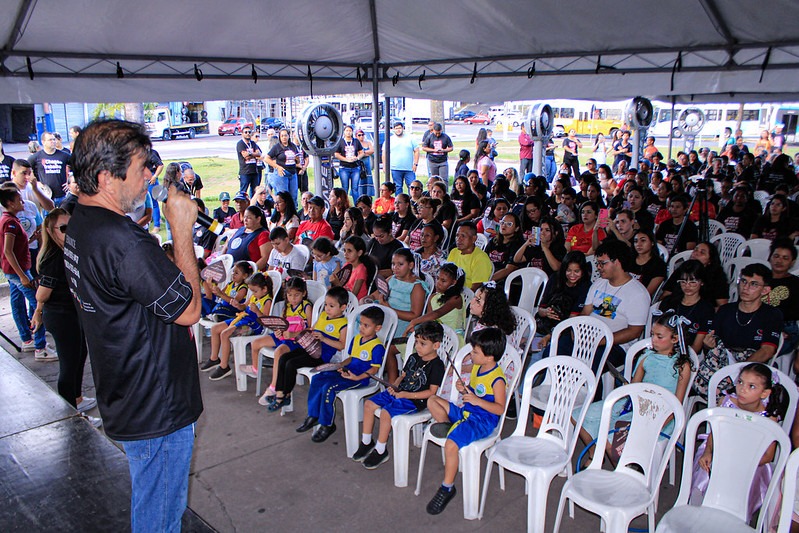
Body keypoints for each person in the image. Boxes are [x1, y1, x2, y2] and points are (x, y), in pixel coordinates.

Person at [64, 119, 202, 532]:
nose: (149, 175)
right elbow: (189, 310)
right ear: (107, 176)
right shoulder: (125, 244)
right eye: (142, 166)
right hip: (156, 405)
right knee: (160, 515)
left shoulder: (81, 222)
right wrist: (181, 230)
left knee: (153, 502)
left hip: (125, 389)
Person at [576, 310, 693, 465]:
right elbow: (634, 386)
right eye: (652, 335)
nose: (653, 340)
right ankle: (595, 455)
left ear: (675, 339)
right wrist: (628, 387)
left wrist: (659, 423)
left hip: (661, 413)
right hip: (635, 404)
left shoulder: (681, 366)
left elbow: (677, 402)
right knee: (580, 415)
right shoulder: (646, 357)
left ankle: (624, 470)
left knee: (610, 434)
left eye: (659, 337)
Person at [690, 363, 789, 521]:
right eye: (740, 382)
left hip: (752, 461)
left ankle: (734, 517)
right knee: (706, 469)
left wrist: (740, 463)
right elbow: (714, 434)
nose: (742, 389)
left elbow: (768, 456)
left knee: (744, 480)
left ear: (764, 393)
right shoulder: (727, 403)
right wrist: (709, 451)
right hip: (720, 451)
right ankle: (699, 511)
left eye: (751, 386)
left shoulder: (768, 417)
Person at [425, 327, 507, 515]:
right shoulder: (478, 367)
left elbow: (500, 408)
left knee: (451, 444)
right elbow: (473, 390)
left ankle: (447, 488)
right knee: (433, 401)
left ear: (489, 357)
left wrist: (477, 401)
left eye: (475, 352)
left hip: (481, 422)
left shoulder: (497, 379)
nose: (471, 354)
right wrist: (464, 389)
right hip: (467, 413)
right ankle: (449, 426)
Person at [31, 208, 95, 415]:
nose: (70, 231)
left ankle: (76, 399)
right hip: (61, 315)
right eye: (64, 228)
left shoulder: (69, 251)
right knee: (69, 363)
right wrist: (38, 312)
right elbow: (42, 294)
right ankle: (71, 413)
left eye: (72, 226)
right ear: (51, 231)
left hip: (72, 312)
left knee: (79, 354)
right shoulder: (54, 257)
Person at [356, 321, 446, 469]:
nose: (417, 346)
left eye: (422, 344)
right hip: (400, 392)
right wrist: (395, 385)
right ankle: (366, 442)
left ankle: (381, 450)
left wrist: (406, 395)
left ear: (436, 345)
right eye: (416, 342)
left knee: (386, 413)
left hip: (415, 400)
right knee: (369, 404)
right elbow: (403, 375)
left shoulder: (437, 365)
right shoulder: (413, 357)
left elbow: (431, 392)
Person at [693, 263, 784, 399]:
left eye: (753, 284)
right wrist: (708, 344)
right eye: (743, 281)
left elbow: (767, 350)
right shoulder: (725, 310)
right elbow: (713, 345)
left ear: (765, 290)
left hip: (751, 367)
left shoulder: (771, 315)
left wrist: (740, 371)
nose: (746, 288)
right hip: (723, 362)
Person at [297, 306, 386, 443]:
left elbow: (374, 370)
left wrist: (357, 377)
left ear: (377, 328)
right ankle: (313, 415)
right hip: (347, 371)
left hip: (359, 378)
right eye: (360, 324)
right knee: (317, 378)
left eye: (366, 325)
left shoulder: (377, 347)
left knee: (329, 388)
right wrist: (339, 366)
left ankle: (327, 424)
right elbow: (351, 358)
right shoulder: (357, 339)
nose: (361, 328)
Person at [262, 286, 349, 412]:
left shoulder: (343, 324)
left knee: (291, 363)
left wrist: (324, 339)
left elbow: (342, 345)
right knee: (284, 358)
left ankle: (282, 397)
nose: (327, 309)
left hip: (321, 355)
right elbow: (311, 329)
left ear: (343, 307)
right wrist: (295, 334)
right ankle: (281, 392)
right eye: (326, 305)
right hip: (308, 347)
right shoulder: (323, 315)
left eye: (331, 306)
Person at [580, 240, 651, 370]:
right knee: (557, 347)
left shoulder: (638, 294)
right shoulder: (599, 283)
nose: (598, 267)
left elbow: (634, 332)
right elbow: (585, 312)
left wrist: (601, 340)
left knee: (590, 362)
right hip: (590, 337)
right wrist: (578, 331)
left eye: (602, 263)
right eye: (598, 263)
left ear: (617, 262)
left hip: (618, 345)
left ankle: (591, 390)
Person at [0, 187, 52, 359]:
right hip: (18, 272)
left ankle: (27, 340)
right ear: (10, 203)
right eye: (19, 200)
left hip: (15, 270)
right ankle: (40, 347)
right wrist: (22, 275)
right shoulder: (11, 223)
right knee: (38, 305)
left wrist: (31, 239)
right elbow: (8, 251)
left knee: (18, 300)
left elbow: (15, 247)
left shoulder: (9, 220)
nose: (22, 203)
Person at [243, 276, 313, 390]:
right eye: (290, 295)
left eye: (296, 295)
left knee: (279, 352)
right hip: (284, 336)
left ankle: (274, 386)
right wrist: (278, 331)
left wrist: (293, 335)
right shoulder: (287, 306)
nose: (293, 299)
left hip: (296, 340)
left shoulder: (306, 307)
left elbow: (310, 329)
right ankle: (255, 369)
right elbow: (280, 324)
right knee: (255, 343)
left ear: (304, 293)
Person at [206, 273, 273, 381]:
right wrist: (237, 305)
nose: (254, 294)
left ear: (264, 289)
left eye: (255, 291)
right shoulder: (254, 296)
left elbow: (265, 320)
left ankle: (224, 366)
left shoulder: (267, 300)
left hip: (254, 325)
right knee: (215, 329)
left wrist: (257, 311)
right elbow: (243, 306)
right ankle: (214, 358)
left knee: (225, 334)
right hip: (243, 319)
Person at [532, 251, 592, 362]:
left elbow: (572, 321)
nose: (572, 275)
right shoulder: (555, 278)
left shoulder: (586, 287)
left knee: (538, 357)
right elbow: (540, 309)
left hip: (564, 331)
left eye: (576, 271)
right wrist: (546, 312)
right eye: (568, 271)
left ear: (583, 271)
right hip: (542, 325)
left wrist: (550, 336)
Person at [658, 260, 715, 354]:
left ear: (702, 282)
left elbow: (696, 347)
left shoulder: (706, 309)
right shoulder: (668, 302)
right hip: (662, 349)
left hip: (686, 355)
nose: (687, 286)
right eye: (683, 281)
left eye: (692, 282)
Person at [405, 262, 468, 342]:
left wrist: (415, 321)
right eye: (437, 278)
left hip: (452, 338)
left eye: (443, 281)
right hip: (435, 335)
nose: (438, 283)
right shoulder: (433, 297)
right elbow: (429, 320)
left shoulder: (456, 299)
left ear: (453, 283)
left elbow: (437, 313)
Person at [762, 238, 799, 355]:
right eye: (776, 256)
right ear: (770, 257)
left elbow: (794, 313)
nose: (779, 261)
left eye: (785, 258)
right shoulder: (761, 279)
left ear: (792, 261)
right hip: (757, 324)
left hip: (785, 328)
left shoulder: (796, 283)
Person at [447, 221, 493, 291]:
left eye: (463, 236)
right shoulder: (454, 252)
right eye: (457, 235)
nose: (458, 239)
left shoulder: (481, 259)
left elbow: (476, 288)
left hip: (465, 296)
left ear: (474, 239)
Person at [29, 131, 70, 206]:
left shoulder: (64, 155)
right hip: (46, 196)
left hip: (62, 195)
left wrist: (70, 182)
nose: (53, 142)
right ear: (43, 142)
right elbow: (26, 169)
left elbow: (77, 168)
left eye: (54, 139)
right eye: (50, 140)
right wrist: (36, 183)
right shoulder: (36, 157)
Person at [224, 205, 271, 270]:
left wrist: (250, 272)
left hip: (247, 274)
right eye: (244, 217)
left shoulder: (263, 234)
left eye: (249, 218)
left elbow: (265, 258)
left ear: (258, 219)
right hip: (228, 268)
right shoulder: (240, 230)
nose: (245, 220)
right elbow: (227, 245)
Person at [329, 235, 374, 301]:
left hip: (355, 302)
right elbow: (342, 281)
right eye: (344, 250)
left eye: (349, 251)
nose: (345, 254)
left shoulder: (361, 270)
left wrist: (337, 284)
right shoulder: (348, 264)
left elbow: (353, 296)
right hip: (344, 295)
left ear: (359, 253)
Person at [265, 128, 301, 205]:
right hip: (282, 174)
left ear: (288, 136)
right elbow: (267, 158)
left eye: (285, 135)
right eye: (282, 136)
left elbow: (298, 161)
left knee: (293, 197)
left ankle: (293, 214)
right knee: (283, 198)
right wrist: (277, 167)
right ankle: (280, 215)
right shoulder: (277, 147)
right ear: (279, 137)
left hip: (292, 173)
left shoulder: (293, 146)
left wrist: (297, 159)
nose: (284, 137)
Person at [485, 213, 523, 285]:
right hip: (488, 273)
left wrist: (487, 280)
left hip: (505, 281)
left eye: (509, 224)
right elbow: (483, 259)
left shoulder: (518, 245)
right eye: (502, 222)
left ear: (516, 228)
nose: (504, 225)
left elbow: (508, 269)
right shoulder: (494, 241)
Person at [629, 230, 667, 298]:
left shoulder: (659, 265)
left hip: (640, 299)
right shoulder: (628, 259)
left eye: (643, 240)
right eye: (635, 241)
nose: (638, 244)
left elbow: (647, 294)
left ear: (652, 243)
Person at [384, 122, 419, 194]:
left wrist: (415, 164)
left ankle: (412, 202)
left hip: (409, 168)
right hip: (395, 168)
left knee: (412, 186)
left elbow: (417, 151)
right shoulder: (390, 139)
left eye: (399, 128)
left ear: (403, 128)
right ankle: (399, 203)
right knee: (398, 187)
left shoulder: (410, 138)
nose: (398, 130)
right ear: (393, 129)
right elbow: (384, 153)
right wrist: (385, 165)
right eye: (396, 128)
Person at [334, 125, 364, 199]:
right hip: (344, 167)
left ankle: (357, 206)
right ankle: (344, 205)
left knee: (355, 188)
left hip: (355, 168)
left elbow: (362, 152)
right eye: (347, 130)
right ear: (344, 132)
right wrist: (346, 159)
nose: (348, 132)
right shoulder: (340, 142)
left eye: (350, 131)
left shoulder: (356, 141)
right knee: (344, 188)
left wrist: (357, 158)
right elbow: (336, 154)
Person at [236, 126, 261, 198]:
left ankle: (253, 207)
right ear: (242, 134)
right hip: (245, 171)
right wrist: (253, 154)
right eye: (246, 132)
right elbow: (245, 156)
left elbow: (259, 154)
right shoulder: (240, 144)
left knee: (255, 191)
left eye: (249, 132)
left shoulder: (253, 143)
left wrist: (250, 154)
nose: (248, 134)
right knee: (243, 192)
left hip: (254, 171)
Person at [355, 129, 376, 197]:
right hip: (359, 164)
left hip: (367, 164)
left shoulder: (368, 143)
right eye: (359, 135)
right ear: (356, 136)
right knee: (360, 179)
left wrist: (363, 153)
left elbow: (372, 151)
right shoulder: (355, 143)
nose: (361, 136)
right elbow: (357, 154)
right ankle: (360, 195)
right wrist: (364, 153)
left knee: (368, 178)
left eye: (362, 135)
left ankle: (368, 195)